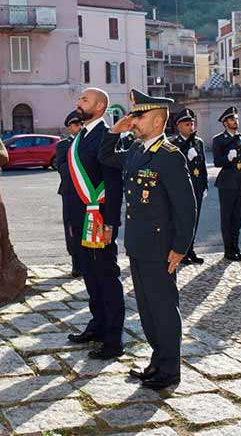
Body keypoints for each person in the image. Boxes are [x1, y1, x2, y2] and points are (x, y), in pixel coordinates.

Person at [99, 89, 196, 390]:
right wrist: (116, 130)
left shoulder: (169, 157)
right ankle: (158, 361)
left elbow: (186, 207)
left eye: (138, 117)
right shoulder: (137, 152)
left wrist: (180, 248)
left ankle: (170, 370)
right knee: (147, 309)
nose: (133, 121)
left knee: (164, 309)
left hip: (161, 248)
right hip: (139, 245)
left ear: (156, 121)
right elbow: (104, 156)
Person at [63, 88, 125, 360]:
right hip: (81, 218)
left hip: (100, 218)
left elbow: (113, 183)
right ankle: (97, 325)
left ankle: (114, 339)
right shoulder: (83, 135)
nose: (79, 103)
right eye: (79, 99)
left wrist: (111, 222)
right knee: (90, 275)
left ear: (100, 106)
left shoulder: (106, 136)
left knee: (107, 278)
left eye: (84, 100)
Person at [212, 106, 241, 262]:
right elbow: (217, 162)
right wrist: (227, 158)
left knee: (238, 217)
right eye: (232, 119)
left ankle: (236, 247)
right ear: (225, 122)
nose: (236, 121)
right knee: (227, 218)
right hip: (227, 184)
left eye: (236, 118)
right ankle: (228, 250)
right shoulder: (219, 140)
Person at [171, 108, 207, 265]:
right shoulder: (173, 143)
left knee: (194, 220)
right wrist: (186, 153)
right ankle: (181, 251)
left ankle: (190, 249)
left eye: (192, 124)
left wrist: (205, 185)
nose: (191, 127)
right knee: (181, 221)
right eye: (187, 124)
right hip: (181, 188)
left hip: (197, 187)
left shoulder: (198, 142)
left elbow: (203, 165)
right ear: (179, 126)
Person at [56, 110, 84, 277]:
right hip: (71, 192)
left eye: (81, 123)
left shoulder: (89, 143)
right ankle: (76, 262)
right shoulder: (64, 145)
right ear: (68, 128)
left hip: (89, 193)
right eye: (75, 124)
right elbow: (62, 168)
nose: (79, 127)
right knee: (72, 226)